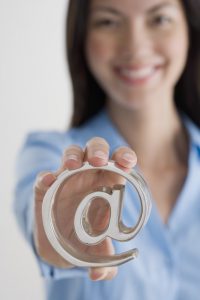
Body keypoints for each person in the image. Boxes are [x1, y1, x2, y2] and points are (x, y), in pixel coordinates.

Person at [14, 0, 200, 299]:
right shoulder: (49, 154)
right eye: (108, 22)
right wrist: (58, 236)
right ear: (82, 38)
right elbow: (33, 214)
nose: (135, 47)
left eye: (159, 19)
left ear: (190, 30)